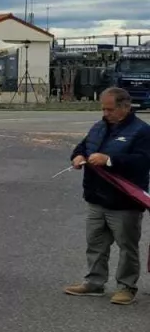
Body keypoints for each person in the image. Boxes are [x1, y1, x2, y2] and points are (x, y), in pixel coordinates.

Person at [64, 87, 150, 305]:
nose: (105, 113)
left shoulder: (141, 131)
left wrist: (109, 159)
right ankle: (94, 282)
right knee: (95, 244)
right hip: (96, 196)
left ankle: (126, 287)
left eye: (110, 109)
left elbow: (142, 161)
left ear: (125, 107)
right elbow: (82, 147)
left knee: (126, 246)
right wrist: (77, 157)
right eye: (103, 108)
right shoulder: (99, 126)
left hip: (124, 201)